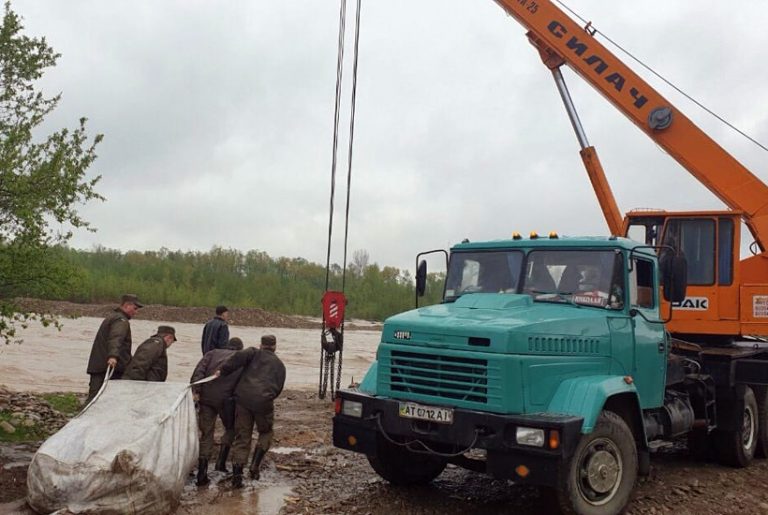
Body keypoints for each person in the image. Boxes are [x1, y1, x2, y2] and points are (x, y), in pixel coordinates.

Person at [216, 334, 286, 488]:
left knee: (243, 436)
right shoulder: (279, 364)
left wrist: (223, 370)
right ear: (275, 347)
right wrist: (267, 397)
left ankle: (237, 475)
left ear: (261, 344)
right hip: (264, 402)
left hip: (243, 400)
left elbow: (235, 359)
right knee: (266, 432)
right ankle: (255, 465)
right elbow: (278, 387)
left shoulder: (252, 353)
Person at [190, 336, 244, 486]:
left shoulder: (212, 353)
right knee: (230, 429)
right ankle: (221, 463)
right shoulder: (241, 359)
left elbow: (198, 372)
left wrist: (196, 391)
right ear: (240, 348)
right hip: (227, 401)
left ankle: (202, 473)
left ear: (227, 345)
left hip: (206, 399)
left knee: (206, 434)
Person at [85, 294, 143, 403]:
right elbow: (116, 338)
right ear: (126, 305)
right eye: (135, 308)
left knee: (95, 398)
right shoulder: (121, 320)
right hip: (110, 368)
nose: (136, 312)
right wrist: (113, 356)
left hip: (100, 366)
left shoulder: (113, 317)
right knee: (101, 400)